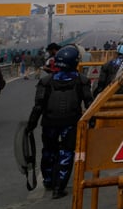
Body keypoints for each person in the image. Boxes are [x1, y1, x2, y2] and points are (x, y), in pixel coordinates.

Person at [25, 45, 93, 198]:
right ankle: (59, 187)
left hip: (49, 122)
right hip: (70, 123)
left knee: (48, 151)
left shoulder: (46, 81)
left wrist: (31, 125)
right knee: (67, 153)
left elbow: (38, 106)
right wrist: (93, 124)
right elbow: (90, 104)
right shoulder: (82, 80)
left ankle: (48, 181)